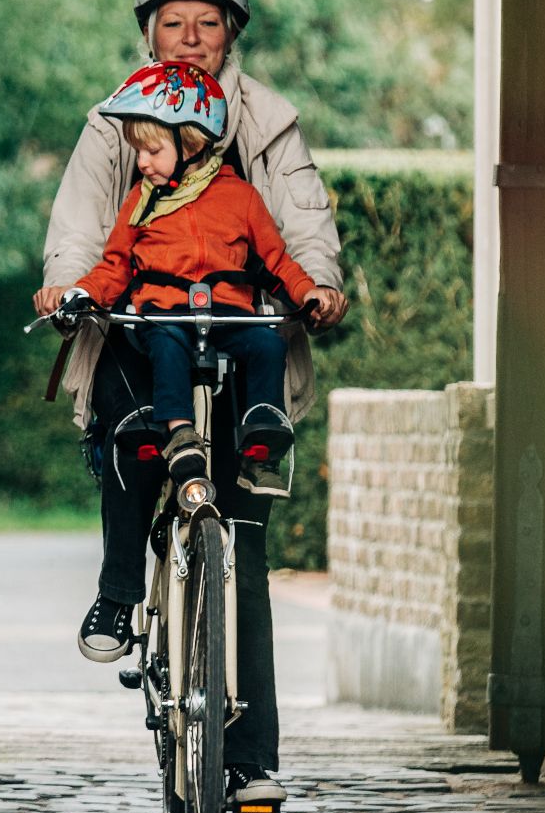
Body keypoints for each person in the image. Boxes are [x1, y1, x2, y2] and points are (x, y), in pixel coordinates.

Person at [36, 0, 348, 809]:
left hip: (243, 330)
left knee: (242, 538)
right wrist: (67, 286)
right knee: (134, 437)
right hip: (140, 325)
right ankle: (119, 593)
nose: (190, 37)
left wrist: (317, 286)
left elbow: (301, 225)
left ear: (230, 37)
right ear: (150, 35)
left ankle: (249, 760)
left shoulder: (270, 124)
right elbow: (83, 226)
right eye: (173, 23)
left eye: (207, 24)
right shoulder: (116, 122)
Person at [67, 60, 341, 495]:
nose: (142, 163)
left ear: (192, 142)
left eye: (152, 150)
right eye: (138, 152)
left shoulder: (241, 198)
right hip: (164, 316)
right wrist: (83, 293)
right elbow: (115, 266)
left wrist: (309, 293)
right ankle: (180, 435)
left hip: (229, 315)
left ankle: (260, 443)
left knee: (268, 344)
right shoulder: (140, 201)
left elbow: (277, 261)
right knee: (167, 345)